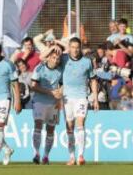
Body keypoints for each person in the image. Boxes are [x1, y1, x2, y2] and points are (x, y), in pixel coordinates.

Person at [61, 37, 98, 166]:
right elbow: (46, 59)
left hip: (82, 97)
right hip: (67, 98)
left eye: (77, 47)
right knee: (69, 127)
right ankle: (71, 156)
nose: (75, 50)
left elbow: (93, 79)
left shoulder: (87, 62)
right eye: (73, 47)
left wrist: (95, 99)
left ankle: (81, 156)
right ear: (69, 48)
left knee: (80, 123)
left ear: (80, 48)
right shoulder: (63, 59)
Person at [30, 48, 63, 165]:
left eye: (58, 58)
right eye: (53, 57)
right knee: (38, 125)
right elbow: (33, 86)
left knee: (50, 130)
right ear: (48, 57)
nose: (56, 60)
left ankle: (46, 156)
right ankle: (36, 153)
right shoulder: (39, 68)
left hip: (53, 103)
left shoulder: (60, 71)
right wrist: (50, 92)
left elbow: (63, 85)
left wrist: (60, 91)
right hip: (39, 101)